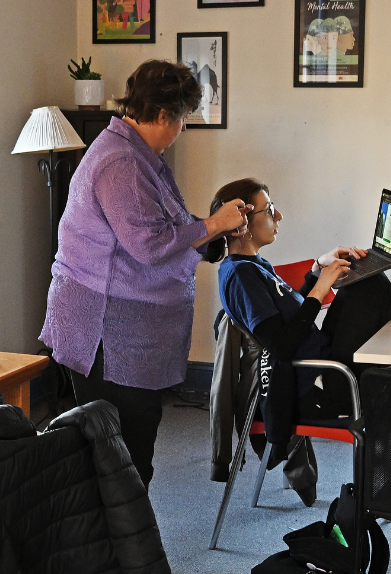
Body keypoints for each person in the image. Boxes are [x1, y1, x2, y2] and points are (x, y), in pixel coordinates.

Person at [39, 60, 251, 489]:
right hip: (105, 331)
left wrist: (213, 234)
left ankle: (122, 530)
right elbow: (150, 245)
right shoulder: (121, 163)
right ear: (162, 115)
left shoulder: (139, 154)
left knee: (127, 449)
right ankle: (123, 532)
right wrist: (213, 224)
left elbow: (168, 223)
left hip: (122, 327)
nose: (183, 128)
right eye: (183, 118)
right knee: (124, 455)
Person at [208, 178, 391, 499]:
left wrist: (318, 268)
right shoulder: (240, 276)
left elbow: (287, 311)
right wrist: (321, 288)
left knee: (367, 281)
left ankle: (388, 380)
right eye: (269, 209)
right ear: (242, 226)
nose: (278, 215)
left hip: (318, 364)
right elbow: (280, 345)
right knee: (373, 285)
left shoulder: (253, 265)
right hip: (314, 384)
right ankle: (387, 385)